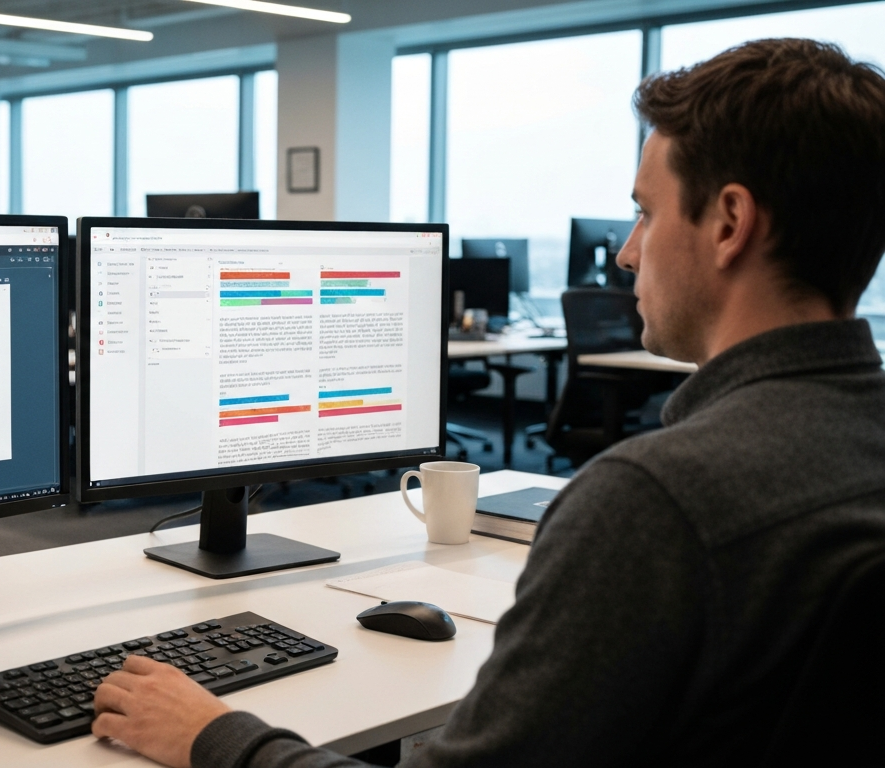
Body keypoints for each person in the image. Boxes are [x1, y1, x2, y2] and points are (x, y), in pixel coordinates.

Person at [89, 38, 885, 768]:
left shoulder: (656, 503)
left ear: (730, 224)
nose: (626, 251)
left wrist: (216, 734)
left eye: (646, 211)